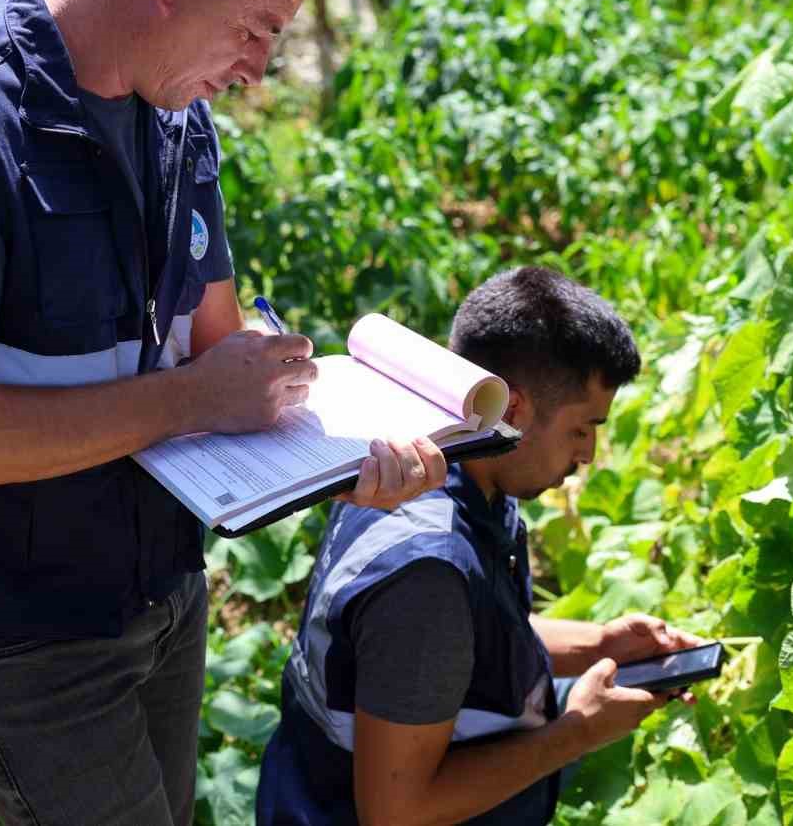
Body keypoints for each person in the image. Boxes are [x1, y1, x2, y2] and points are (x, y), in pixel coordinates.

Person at [0, 0, 447, 826]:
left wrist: (350, 453)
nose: (255, 70)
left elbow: (215, 345)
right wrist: (191, 399)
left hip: (162, 597)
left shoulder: (175, 117)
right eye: (254, 31)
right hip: (21, 634)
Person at [256, 266, 701, 825]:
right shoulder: (428, 580)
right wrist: (576, 732)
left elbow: (466, 647)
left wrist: (601, 645)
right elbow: (398, 813)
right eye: (582, 428)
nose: (589, 454)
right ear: (513, 409)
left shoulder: (443, 467)